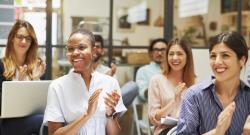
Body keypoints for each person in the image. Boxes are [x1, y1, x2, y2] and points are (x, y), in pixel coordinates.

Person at [43, 29, 127, 135]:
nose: (75, 53)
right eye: (70, 49)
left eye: (81, 47)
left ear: (93, 50)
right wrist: (86, 115)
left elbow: (115, 133)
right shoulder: (57, 86)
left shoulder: (110, 83)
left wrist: (109, 115)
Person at [177, 32, 250, 135]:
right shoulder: (194, 96)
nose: (217, 62)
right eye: (213, 56)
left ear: (242, 60)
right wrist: (217, 132)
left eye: (225, 55)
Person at [0, 20, 46, 135]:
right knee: (43, 121)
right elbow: (3, 107)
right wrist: (18, 83)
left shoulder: (37, 66)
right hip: (8, 122)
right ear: (12, 39)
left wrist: (35, 80)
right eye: (20, 37)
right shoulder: (1, 66)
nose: (24, 41)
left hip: (33, 119)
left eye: (28, 38)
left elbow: (42, 101)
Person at [148, 38, 196, 135]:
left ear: (187, 57)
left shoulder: (195, 83)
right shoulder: (157, 80)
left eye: (179, 54)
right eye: (171, 54)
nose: (174, 58)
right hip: (166, 131)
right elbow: (153, 118)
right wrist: (174, 100)